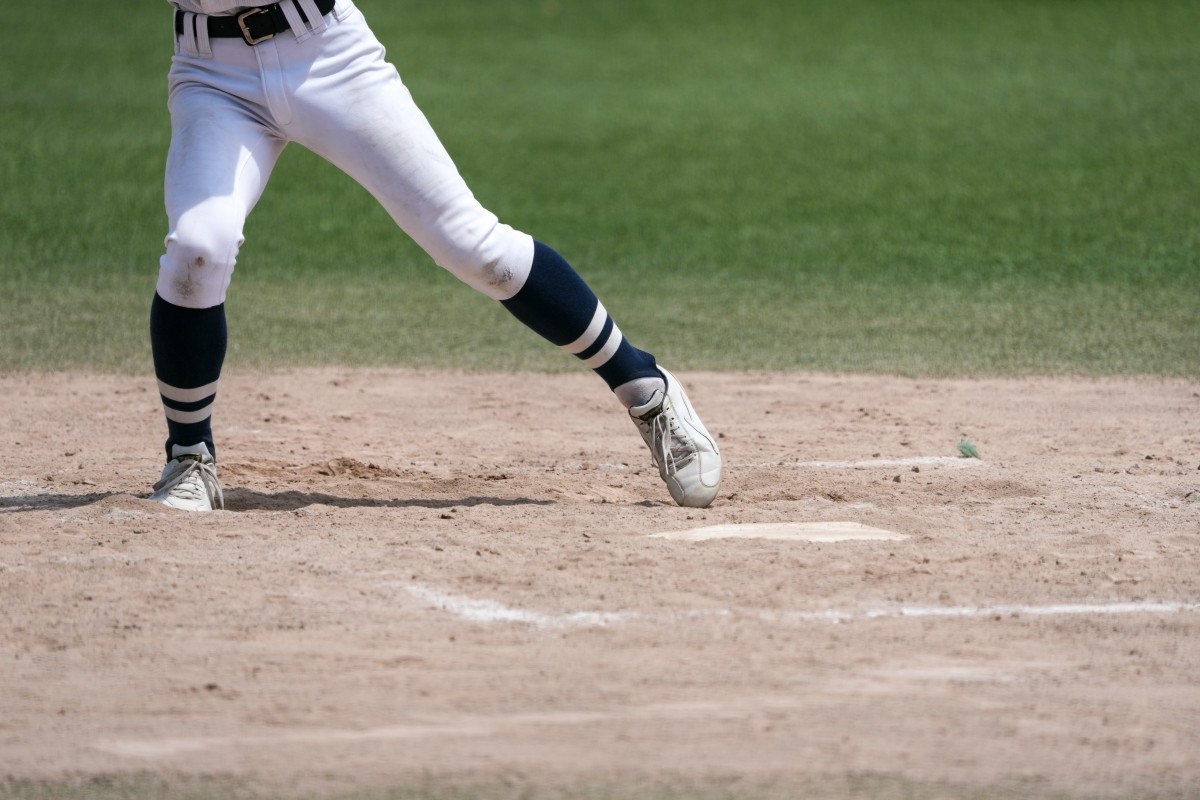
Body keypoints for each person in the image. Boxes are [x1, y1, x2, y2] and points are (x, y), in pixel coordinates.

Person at [148, 0, 722, 512]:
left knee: (474, 246)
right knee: (200, 246)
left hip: (325, 51)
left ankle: (646, 389)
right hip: (210, 74)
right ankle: (191, 455)